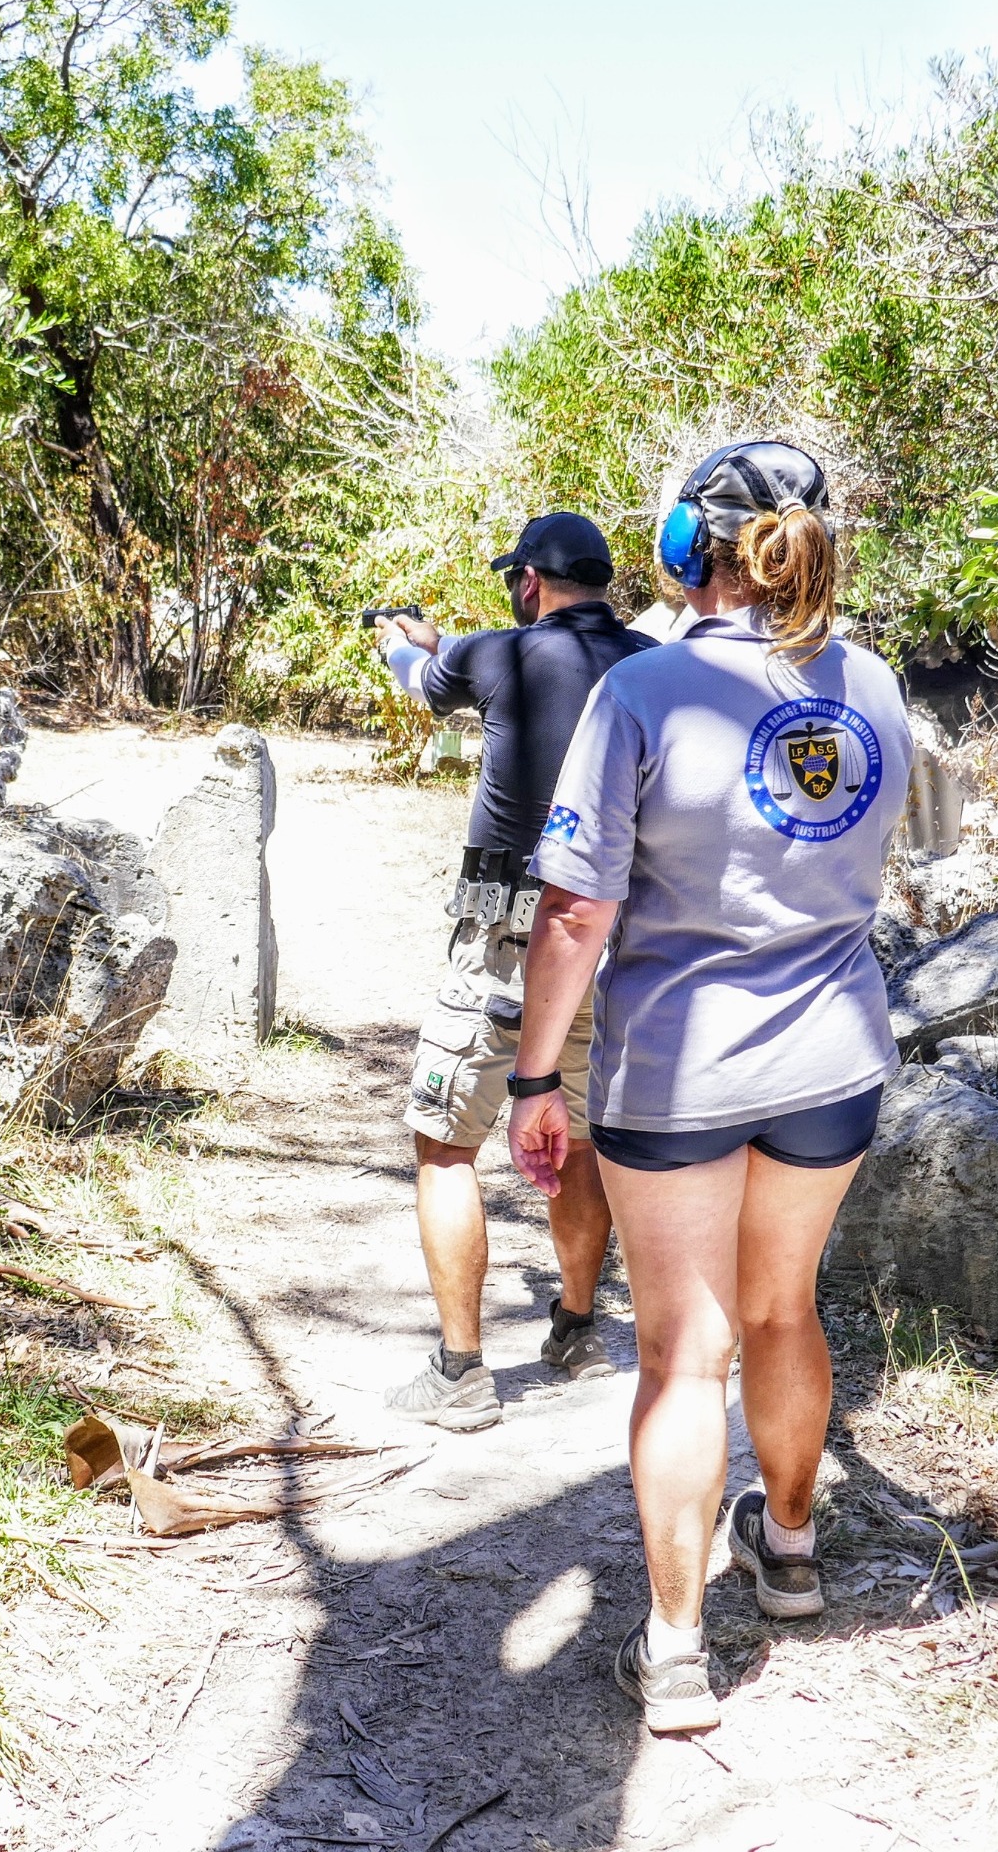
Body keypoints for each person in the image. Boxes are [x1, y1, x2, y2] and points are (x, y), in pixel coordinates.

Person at [506, 441, 912, 1733]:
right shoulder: (877, 686)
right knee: (783, 1310)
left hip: (681, 1068)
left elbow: (577, 912)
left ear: (693, 547)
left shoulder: (644, 689)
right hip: (831, 1060)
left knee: (686, 1354)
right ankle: (787, 1551)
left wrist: (533, 1077)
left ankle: (678, 1652)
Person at [372, 512, 653, 1431]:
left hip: (507, 942)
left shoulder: (497, 653)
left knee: (446, 1145)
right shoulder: (651, 668)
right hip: (608, 945)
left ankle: (460, 1371)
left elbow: (421, 677)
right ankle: (577, 1328)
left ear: (529, 583)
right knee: (577, 1136)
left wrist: (402, 645)